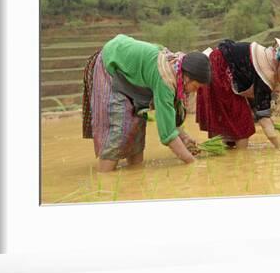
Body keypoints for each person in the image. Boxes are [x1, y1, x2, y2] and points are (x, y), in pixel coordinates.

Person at [82, 34, 211, 172]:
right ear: (187, 78)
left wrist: (184, 137)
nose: (195, 92)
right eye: (196, 87)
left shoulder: (178, 66)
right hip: (111, 62)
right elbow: (167, 135)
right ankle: (104, 177)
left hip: (128, 67)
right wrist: (192, 163)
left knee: (136, 128)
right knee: (118, 132)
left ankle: (134, 182)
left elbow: (169, 117)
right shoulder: (166, 79)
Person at [196, 38, 280, 150]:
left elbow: (258, 104)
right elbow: (263, 118)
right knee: (243, 123)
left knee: (234, 121)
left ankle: (228, 154)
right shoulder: (266, 74)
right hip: (220, 70)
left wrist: (267, 119)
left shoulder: (268, 58)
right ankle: (241, 160)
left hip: (217, 65)